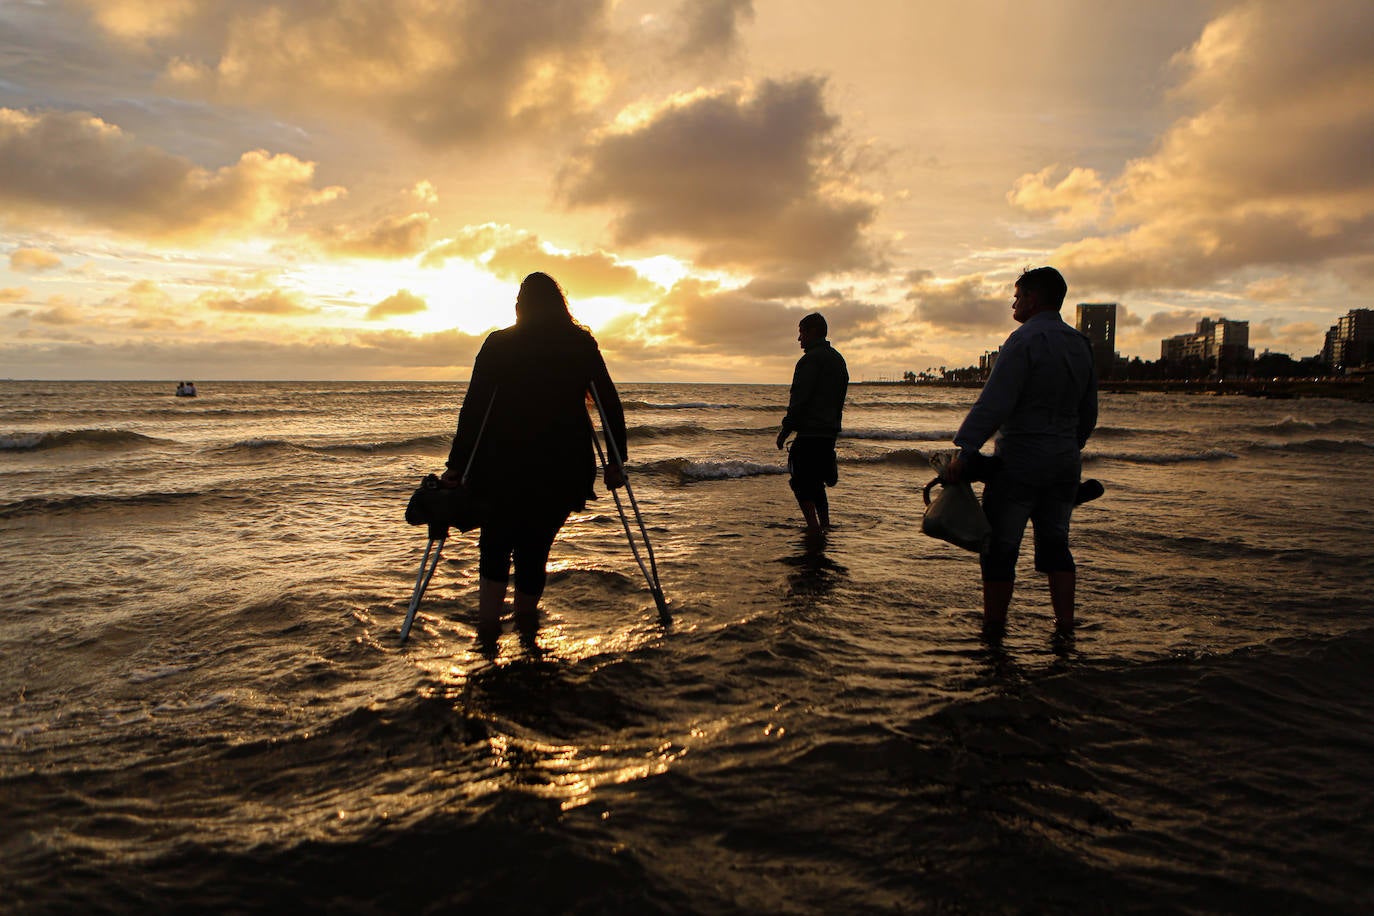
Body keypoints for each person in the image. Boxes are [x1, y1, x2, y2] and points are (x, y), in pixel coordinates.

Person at [441, 272, 627, 653]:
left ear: (519, 306)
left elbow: (474, 409)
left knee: (495, 544)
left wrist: (456, 466)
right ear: (560, 305)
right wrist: (615, 460)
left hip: (501, 466)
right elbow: (609, 403)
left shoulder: (499, 344)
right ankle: (527, 636)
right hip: (563, 468)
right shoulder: (580, 344)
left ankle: (488, 638)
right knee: (535, 547)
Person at [944, 266, 1097, 636]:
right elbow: (1088, 412)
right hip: (1064, 462)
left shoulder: (1023, 340)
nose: (1014, 302)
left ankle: (994, 629)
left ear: (1032, 298)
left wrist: (965, 450)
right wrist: (1069, 448)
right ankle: (1065, 627)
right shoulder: (1080, 344)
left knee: (1000, 549)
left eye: (1017, 295)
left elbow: (995, 402)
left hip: (1021, 461)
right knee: (1057, 544)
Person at [776, 312, 848, 534]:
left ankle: (813, 528)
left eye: (801, 333)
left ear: (812, 332)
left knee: (801, 481)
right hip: (829, 432)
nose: (799, 339)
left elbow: (800, 398)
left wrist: (785, 429)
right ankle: (824, 524)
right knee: (817, 482)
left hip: (810, 432)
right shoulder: (838, 359)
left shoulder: (809, 360)